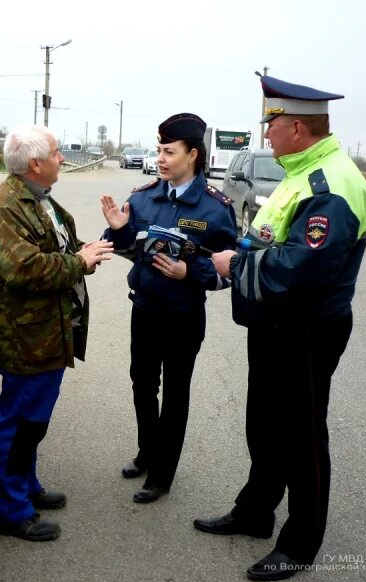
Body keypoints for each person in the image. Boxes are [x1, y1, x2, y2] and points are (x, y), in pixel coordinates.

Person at [197, 76, 366, 581]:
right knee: (266, 424)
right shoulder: (301, 172)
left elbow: (302, 265)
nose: (266, 135)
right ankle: (255, 512)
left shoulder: (332, 183)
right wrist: (230, 259)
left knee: (302, 435)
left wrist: (236, 267)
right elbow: (266, 239)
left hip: (308, 327)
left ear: (296, 127)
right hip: (276, 322)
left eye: (270, 125)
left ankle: (300, 543)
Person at [0, 125, 114, 542]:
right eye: (57, 153)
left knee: (32, 422)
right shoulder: (6, 207)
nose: (63, 158)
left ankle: (26, 486)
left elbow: (60, 247)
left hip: (48, 332)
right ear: (35, 163)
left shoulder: (37, 198)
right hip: (27, 338)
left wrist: (90, 248)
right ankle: (10, 509)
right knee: (19, 423)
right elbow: (22, 269)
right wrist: (79, 263)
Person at [101, 113, 237, 504]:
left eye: (169, 151)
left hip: (183, 315)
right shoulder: (144, 197)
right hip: (143, 309)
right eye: (159, 150)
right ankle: (147, 452)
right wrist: (119, 228)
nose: (160, 158)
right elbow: (126, 248)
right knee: (142, 385)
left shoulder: (215, 210)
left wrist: (187, 271)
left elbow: (229, 272)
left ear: (192, 154)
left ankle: (162, 474)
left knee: (175, 394)